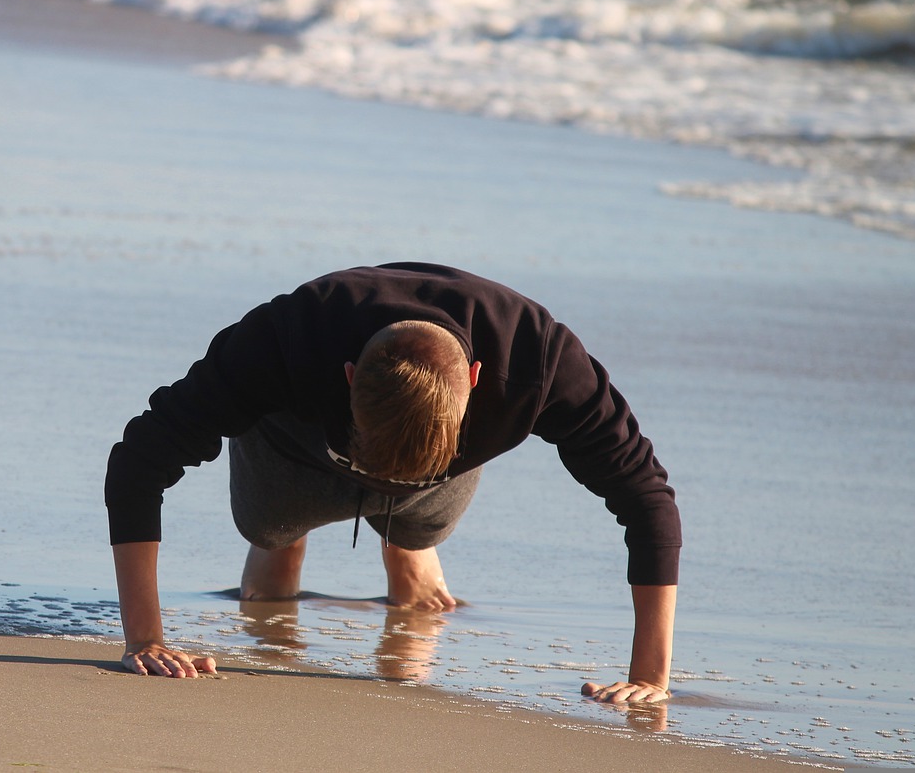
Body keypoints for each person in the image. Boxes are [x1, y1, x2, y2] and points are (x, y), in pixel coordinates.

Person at [105, 262, 681, 703]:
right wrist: (145, 639)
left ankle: (408, 539)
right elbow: (137, 463)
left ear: (477, 382)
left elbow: (645, 497)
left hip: (437, 476)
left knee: (419, 524)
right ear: (348, 376)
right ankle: (286, 538)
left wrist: (650, 678)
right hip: (296, 449)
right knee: (270, 538)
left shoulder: (539, 358)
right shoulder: (285, 337)